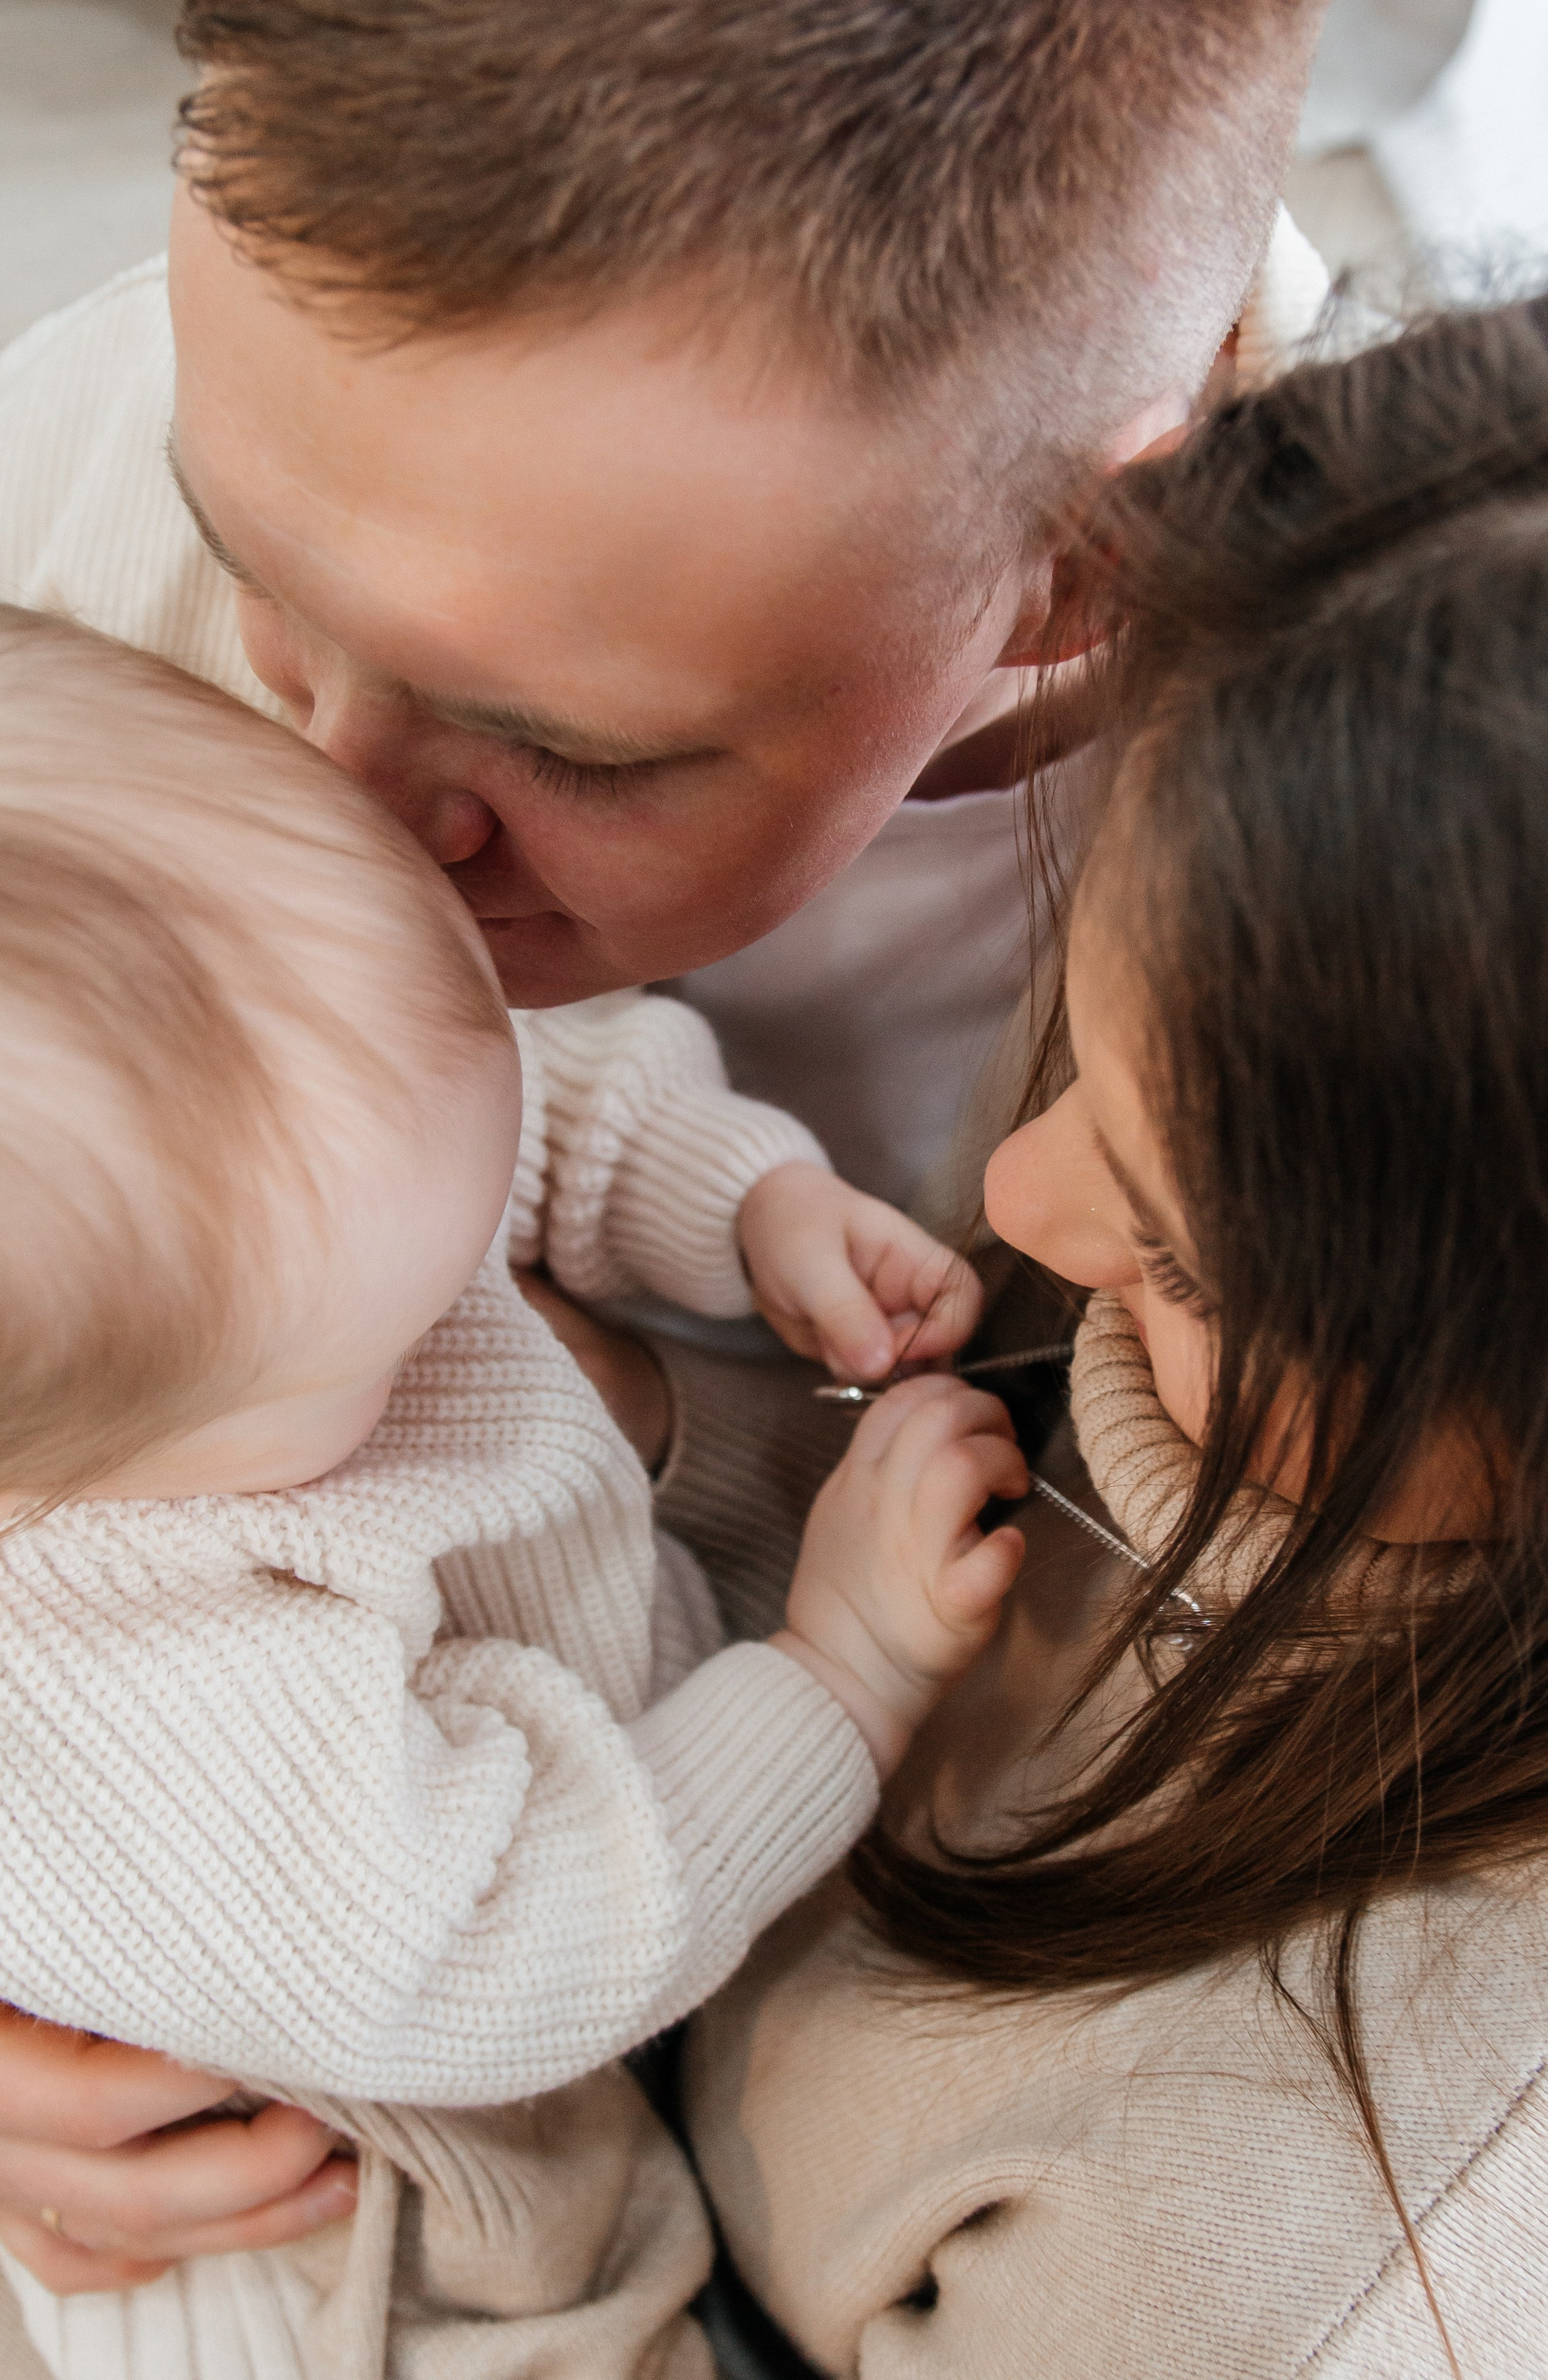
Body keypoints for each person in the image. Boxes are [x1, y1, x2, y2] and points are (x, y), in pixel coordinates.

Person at [0, 0, 1335, 2318]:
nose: (353, 828)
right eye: (258, 582)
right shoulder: (74, 492)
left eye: (563, 745)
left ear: (1089, 555)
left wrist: (687, 1435)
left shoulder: (1401, 843)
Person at [0, 598, 1027, 2379]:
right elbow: (514, 1939)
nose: (478, 1291)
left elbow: (496, 1097)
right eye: (397, 1335)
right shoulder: (119, 1688)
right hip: (377, 2216)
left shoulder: (279, 1121)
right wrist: (838, 1673)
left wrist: (745, 1201)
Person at [682, 291, 1548, 2376]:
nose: (1021, 1204)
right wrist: (639, 1433)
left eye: (1178, 1265)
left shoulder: (1320, 2262)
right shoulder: (1291, 934)